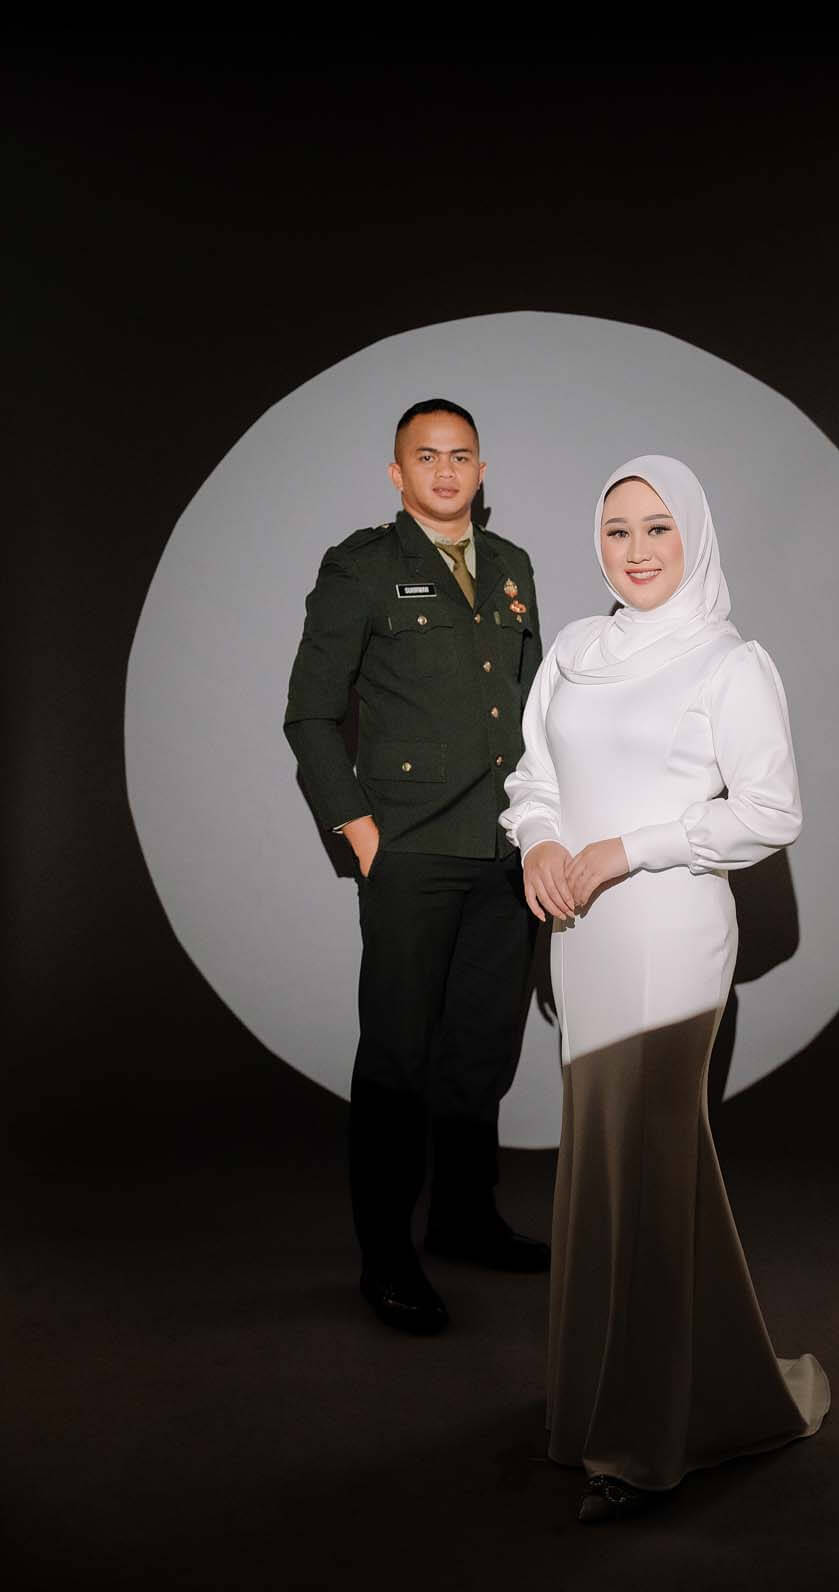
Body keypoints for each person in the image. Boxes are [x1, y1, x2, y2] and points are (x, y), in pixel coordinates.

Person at [500, 455, 830, 1523]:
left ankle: (640, 1445)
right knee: (607, 1169)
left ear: (693, 536)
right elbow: (532, 776)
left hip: (669, 934)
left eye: (657, 529)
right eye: (616, 530)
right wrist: (540, 843)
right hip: (580, 936)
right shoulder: (573, 650)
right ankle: (610, 1403)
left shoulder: (728, 661)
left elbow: (769, 812)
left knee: (645, 1165)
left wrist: (624, 848)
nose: (635, 551)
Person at [284, 399, 549, 1338]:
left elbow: (529, 709)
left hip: (503, 847)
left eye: (460, 455)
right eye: (425, 457)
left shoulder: (511, 566)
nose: (445, 471)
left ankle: (465, 1219)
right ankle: (387, 1256)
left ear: (481, 469)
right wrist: (358, 829)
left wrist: (546, 829)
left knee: (480, 1050)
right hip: (410, 849)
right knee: (399, 1058)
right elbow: (310, 713)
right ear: (397, 475)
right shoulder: (361, 567)